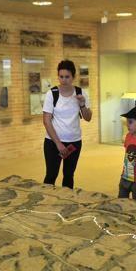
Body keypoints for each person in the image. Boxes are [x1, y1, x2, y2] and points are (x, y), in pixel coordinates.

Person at [42, 60, 92, 189]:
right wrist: (58, 144)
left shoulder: (81, 93)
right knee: (51, 175)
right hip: (53, 142)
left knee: (69, 175)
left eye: (67, 77)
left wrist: (82, 104)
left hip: (73, 142)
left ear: (73, 77)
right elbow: (46, 121)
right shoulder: (52, 93)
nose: (63, 80)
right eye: (61, 76)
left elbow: (88, 118)